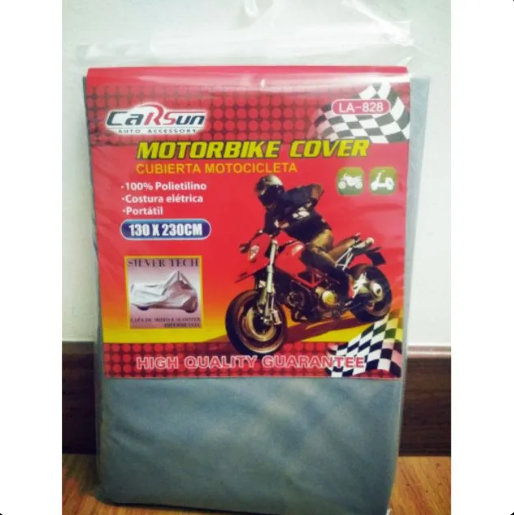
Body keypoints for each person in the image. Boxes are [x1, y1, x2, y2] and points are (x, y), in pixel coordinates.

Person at [240, 175, 349, 289]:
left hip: (322, 232)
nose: (264, 200)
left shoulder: (293, 195)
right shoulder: (271, 216)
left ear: (276, 191)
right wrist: (250, 243)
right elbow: (266, 233)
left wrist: (311, 201)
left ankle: (344, 279)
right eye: (262, 197)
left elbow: (317, 187)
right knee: (284, 260)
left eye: (266, 195)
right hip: (304, 243)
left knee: (311, 250)